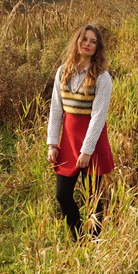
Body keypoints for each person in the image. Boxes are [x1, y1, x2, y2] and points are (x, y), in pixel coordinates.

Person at [47, 24, 114, 241]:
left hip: (91, 143)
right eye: (84, 39)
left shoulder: (102, 77)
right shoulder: (63, 71)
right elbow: (56, 109)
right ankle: (79, 239)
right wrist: (52, 144)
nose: (87, 44)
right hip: (67, 142)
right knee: (63, 195)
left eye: (93, 41)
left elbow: (98, 116)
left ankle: (95, 242)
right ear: (77, 41)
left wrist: (86, 151)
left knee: (93, 198)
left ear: (97, 47)